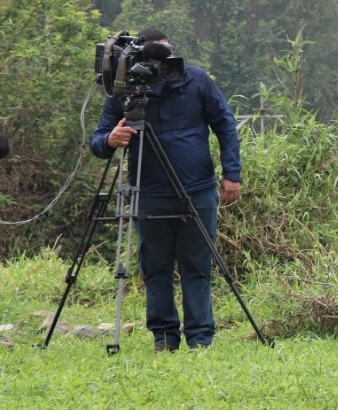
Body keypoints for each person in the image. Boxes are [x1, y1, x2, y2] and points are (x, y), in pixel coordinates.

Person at [90, 28, 241, 351]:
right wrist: (109, 141)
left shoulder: (195, 79)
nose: (159, 62)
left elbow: (225, 124)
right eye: (151, 55)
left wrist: (232, 173)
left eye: (165, 53)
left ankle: (200, 338)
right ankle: (164, 337)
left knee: (197, 264)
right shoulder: (123, 89)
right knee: (155, 266)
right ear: (138, 55)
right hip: (149, 191)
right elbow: (98, 141)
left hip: (197, 188)